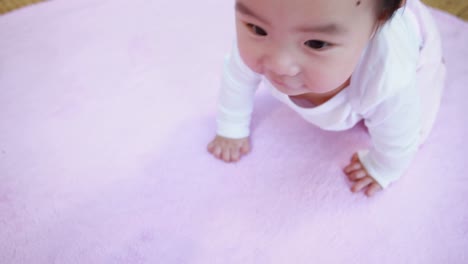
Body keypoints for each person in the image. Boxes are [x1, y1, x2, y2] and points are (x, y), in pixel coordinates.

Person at [207, 0, 446, 196]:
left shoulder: (389, 77)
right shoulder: (274, 20)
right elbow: (237, 78)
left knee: (415, 129)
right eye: (257, 29)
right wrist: (231, 127)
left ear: (378, 23)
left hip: (419, 45)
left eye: (316, 43)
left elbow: (399, 134)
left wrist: (383, 166)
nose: (279, 64)